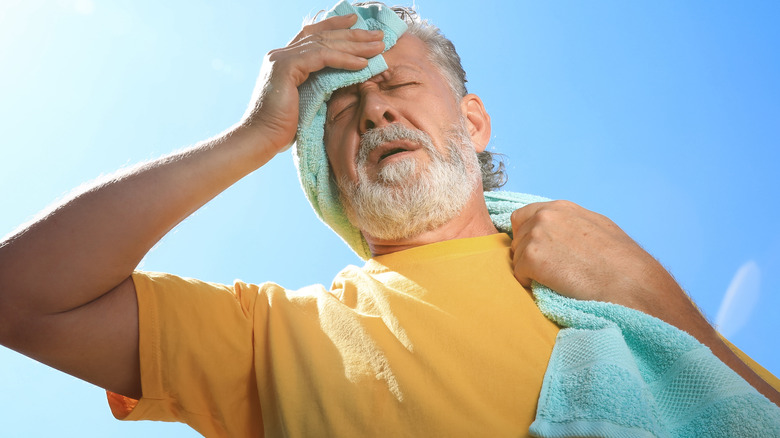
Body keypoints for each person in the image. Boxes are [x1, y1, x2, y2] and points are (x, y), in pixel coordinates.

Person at [0, 2, 778, 436]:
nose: (374, 106)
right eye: (339, 109)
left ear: (472, 123)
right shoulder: (273, 337)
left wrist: (661, 305)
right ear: (323, 174)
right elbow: (19, 296)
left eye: (399, 82)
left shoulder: (598, 277)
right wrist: (252, 137)